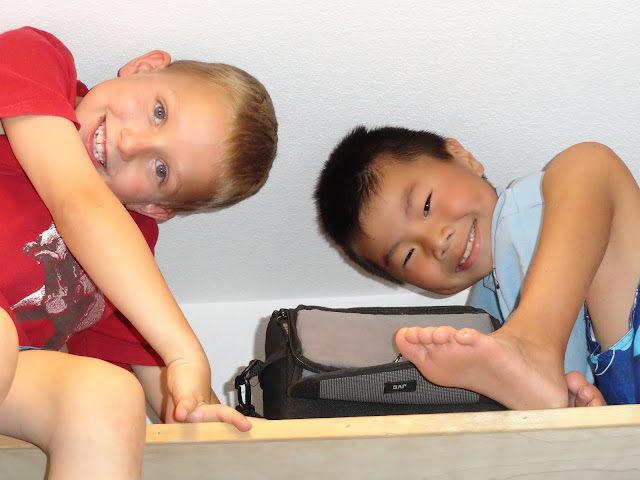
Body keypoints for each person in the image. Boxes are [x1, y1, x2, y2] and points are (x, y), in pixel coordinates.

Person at [0, 26, 277, 479]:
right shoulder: (37, 60)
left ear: (153, 208)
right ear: (143, 67)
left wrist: (199, 410)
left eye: (161, 169)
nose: (130, 143)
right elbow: (78, 201)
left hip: (13, 365)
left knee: (109, 395)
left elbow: (170, 388)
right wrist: (185, 350)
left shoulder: (125, 261)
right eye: (159, 111)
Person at [314, 125, 640, 411]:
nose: (437, 242)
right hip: (624, 400)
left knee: (585, 163)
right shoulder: (482, 325)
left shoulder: (533, 205)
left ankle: (534, 347)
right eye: (409, 256)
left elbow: (594, 169)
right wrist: (572, 404)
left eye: (426, 205)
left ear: (462, 157)